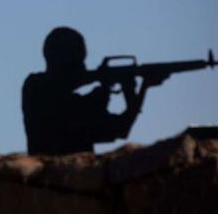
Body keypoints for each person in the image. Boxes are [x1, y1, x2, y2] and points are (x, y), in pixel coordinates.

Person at [22, 27, 168, 155]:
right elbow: (76, 111)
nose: (84, 67)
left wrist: (139, 89)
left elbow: (121, 128)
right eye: (78, 61)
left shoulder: (40, 90)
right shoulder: (36, 88)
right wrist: (104, 89)